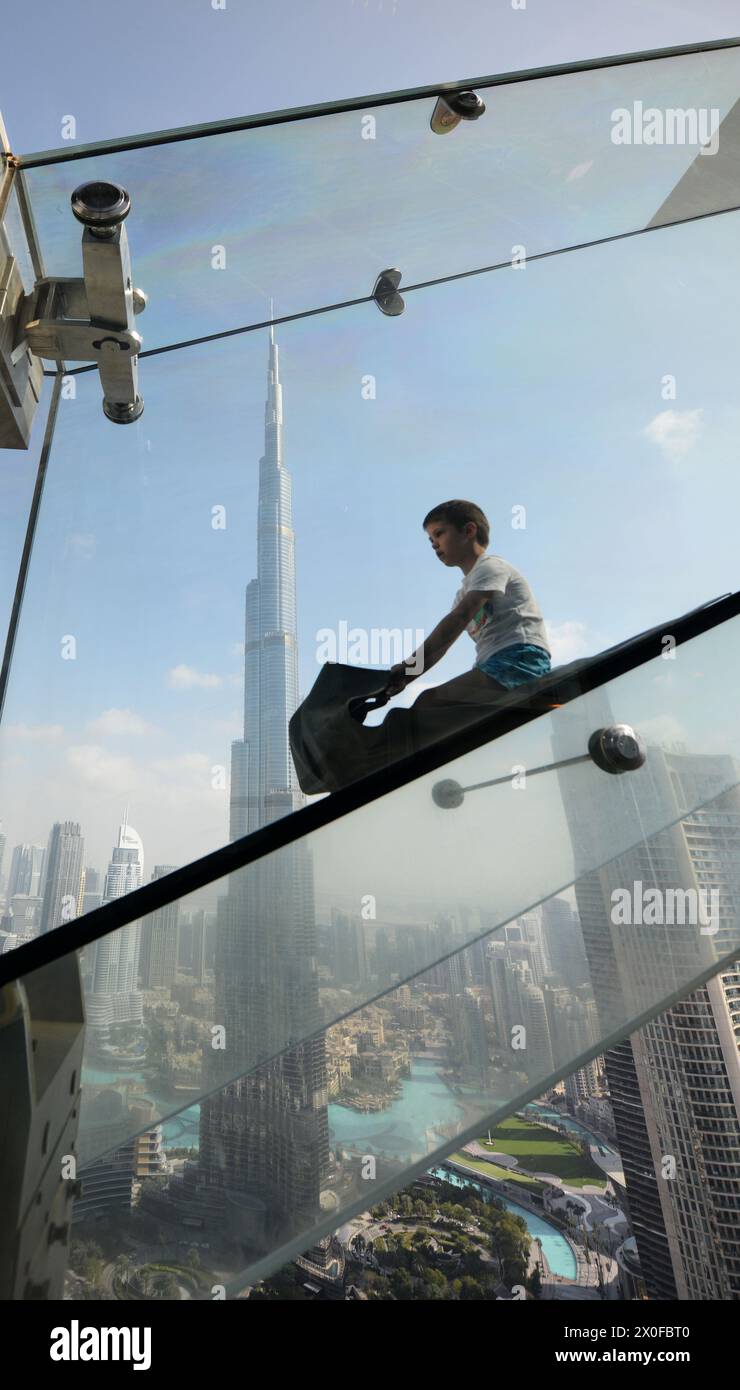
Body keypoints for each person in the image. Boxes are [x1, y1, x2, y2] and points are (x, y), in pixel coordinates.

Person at [384, 499, 551, 707]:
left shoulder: (492, 567)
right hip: (491, 663)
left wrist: (409, 669)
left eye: (439, 533)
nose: (434, 543)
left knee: (433, 704)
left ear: (468, 531)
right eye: (430, 540)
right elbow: (443, 644)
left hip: (519, 658)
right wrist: (407, 676)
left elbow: (456, 621)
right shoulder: (462, 594)